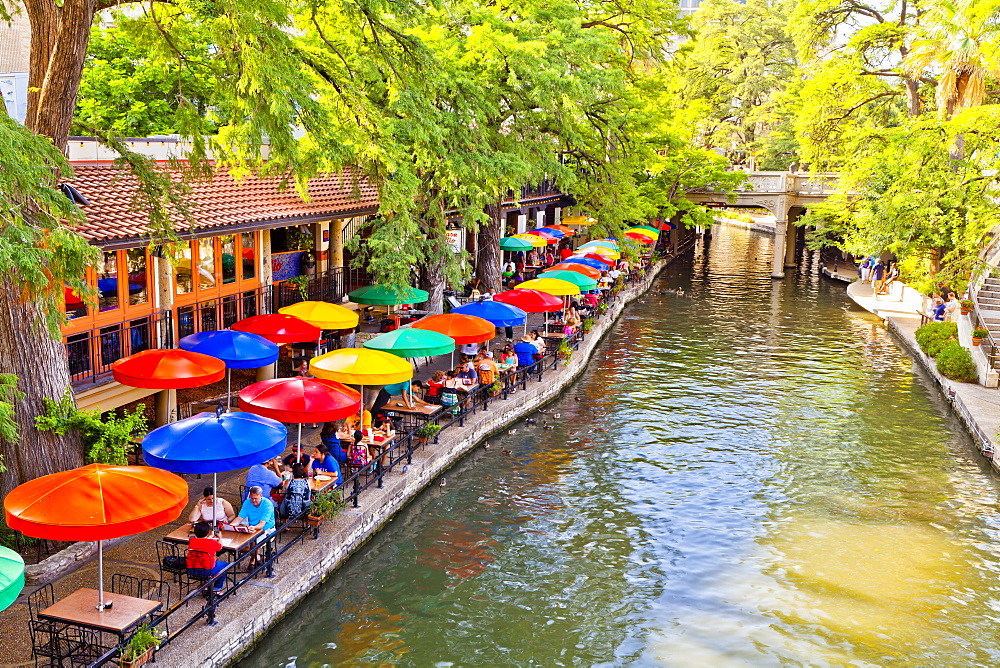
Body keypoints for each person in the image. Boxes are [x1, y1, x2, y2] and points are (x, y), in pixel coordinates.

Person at [186, 521, 228, 591]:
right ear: (208, 532)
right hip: (207, 570)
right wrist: (220, 537)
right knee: (225, 565)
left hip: (191, 569)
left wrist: (210, 536)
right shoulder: (211, 542)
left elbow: (202, 542)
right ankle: (217, 587)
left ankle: (206, 584)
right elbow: (220, 547)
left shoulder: (192, 541)